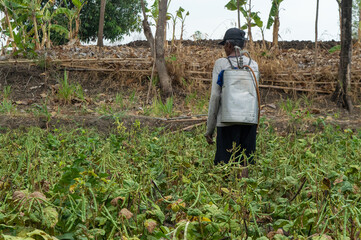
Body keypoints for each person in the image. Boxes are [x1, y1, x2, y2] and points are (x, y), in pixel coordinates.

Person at [204, 28, 259, 171]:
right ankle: (242, 192)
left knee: (225, 166)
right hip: (249, 122)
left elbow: (215, 96)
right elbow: (256, 96)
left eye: (224, 45)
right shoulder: (253, 65)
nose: (224, 49)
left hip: (226, 123)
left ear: (228, 45)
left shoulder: (221, 64)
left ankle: (227, 193)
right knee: (244, 164)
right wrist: (256, 123)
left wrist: (209, 129)